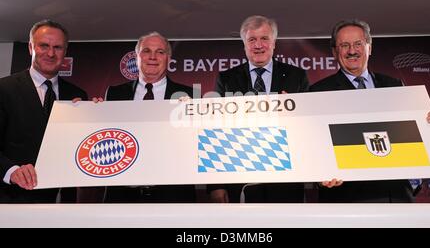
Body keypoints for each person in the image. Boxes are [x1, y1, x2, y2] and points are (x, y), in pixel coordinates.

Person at [310, 19, 430, 202]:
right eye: (344, 45)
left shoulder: (395, 86)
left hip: (396, 196)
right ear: (335, 51)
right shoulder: (318, 92)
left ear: (369, 47)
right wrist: (320, 175)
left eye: (358, 44)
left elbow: (410, 136)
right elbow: (312, 145)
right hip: (347, 199)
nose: (352, 51)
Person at [77, 32, 196, 203]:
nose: (153, 57)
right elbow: (102, 139)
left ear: (169, 59)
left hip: (173, 194)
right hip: (122, 195)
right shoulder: (115, 94)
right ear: (137, 57)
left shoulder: (190, 95)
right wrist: (89, 112)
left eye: (160, 52)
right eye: (146, 51)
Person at [207, 15, 309, 203]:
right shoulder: (227, 78)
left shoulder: (296, 76)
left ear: (274, 43)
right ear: (244, 45)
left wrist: (295, 113)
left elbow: (310, 128)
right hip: (240, 178)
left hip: (286, 179)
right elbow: (216, 131)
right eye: (252, 39)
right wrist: (216, 185)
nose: (258, 45)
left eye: (264, 38)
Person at [0, 19, 88, 203]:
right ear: (31, 47)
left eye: (57, 47)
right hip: (12, 200)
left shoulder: (78, 96)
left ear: (65, 52)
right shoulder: (4, 89)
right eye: (44, 46)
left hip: (64, 205)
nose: (50, 53)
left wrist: (94, 116)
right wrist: (11, 171)